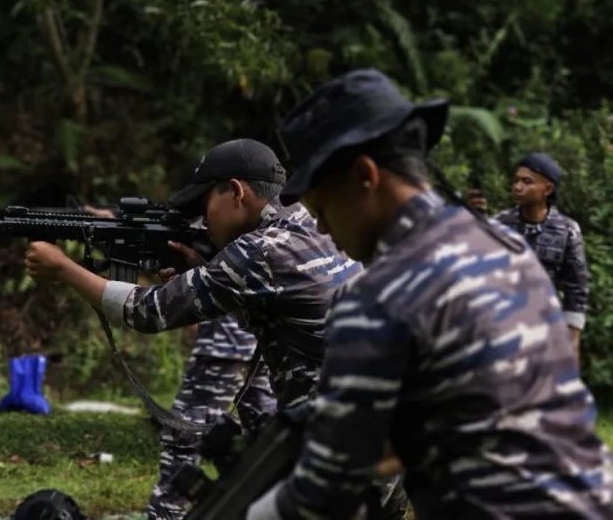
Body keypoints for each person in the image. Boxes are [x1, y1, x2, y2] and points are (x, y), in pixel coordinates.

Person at [247, 69, 613, 519]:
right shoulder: (506, 247)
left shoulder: (377, 298)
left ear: (365, 176)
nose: (321, 227)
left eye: (321, 207)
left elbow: (325, 490)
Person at [24, 139, 409, 515]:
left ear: (237, 192)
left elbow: (147, 311)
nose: (202, 220)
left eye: (205, 204)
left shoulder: (259, 251)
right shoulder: (311, 222)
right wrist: (202, 272)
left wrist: (63, 268)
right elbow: (283, 302)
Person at [80, 205, 277, 520]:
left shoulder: (235, 228)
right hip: (251, 338)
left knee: (184, 437)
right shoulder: (267, 220)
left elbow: (147, 310)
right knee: (266, 435)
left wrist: (64, 267)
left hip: (227, 341)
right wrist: (122, 227)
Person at [467, 153, 589, 363]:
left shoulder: (567, 230)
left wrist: (573, 342)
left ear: (547, 189)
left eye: (526, 181)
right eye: (516, 181)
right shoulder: (501, 224)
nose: (517, 186)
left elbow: (576, 289)